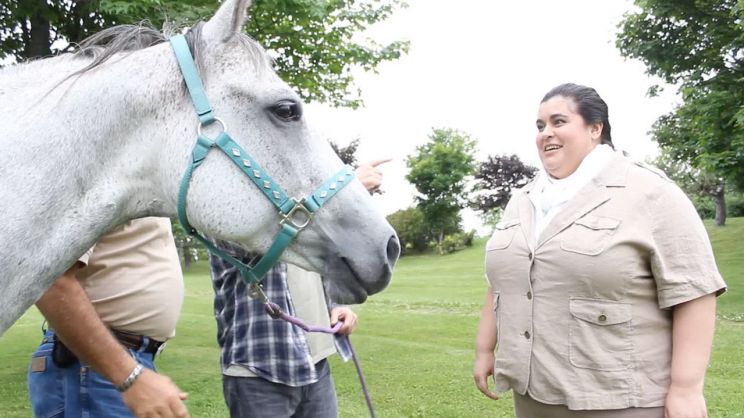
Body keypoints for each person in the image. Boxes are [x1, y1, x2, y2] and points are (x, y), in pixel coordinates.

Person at [473, 83, 726, 418]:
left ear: (595, 128)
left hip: (620, 400)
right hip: (532, 395)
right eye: (540, 126)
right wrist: (484, 349)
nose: (546, 133)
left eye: (558, 122)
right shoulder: (523, 200)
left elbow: (694, 291)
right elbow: (504, 280)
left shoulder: (651, 193)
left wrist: (685, 390)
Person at [211, 159, 388, 418]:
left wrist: (337, 305)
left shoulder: (300, 212)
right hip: (258, 372)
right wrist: (347, 188)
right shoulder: (227, 207)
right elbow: (270, 238)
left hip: (315, 365)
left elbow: (318, 263)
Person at [28, 217, 190, 418]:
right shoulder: (90, 188)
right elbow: (51, 278)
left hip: (108, 365)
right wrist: (129, 376)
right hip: (97, 367)